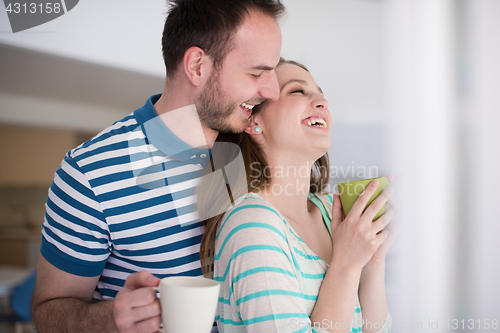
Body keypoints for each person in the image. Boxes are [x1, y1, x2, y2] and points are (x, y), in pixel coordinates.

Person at [31, 0, 285, 332]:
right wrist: (110, 319)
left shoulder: (258, 146)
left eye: (274, 71)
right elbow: (48, 311)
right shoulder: (89, 173)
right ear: (196, 65)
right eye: (256, 73)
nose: (273, 91)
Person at [199, 59, 396, 333]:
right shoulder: (251, 226)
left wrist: (372, 259)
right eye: (297, 91)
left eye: (319, 91)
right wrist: (346, 265)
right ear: (253, 120)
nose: (322, 101)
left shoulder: (331, 211)